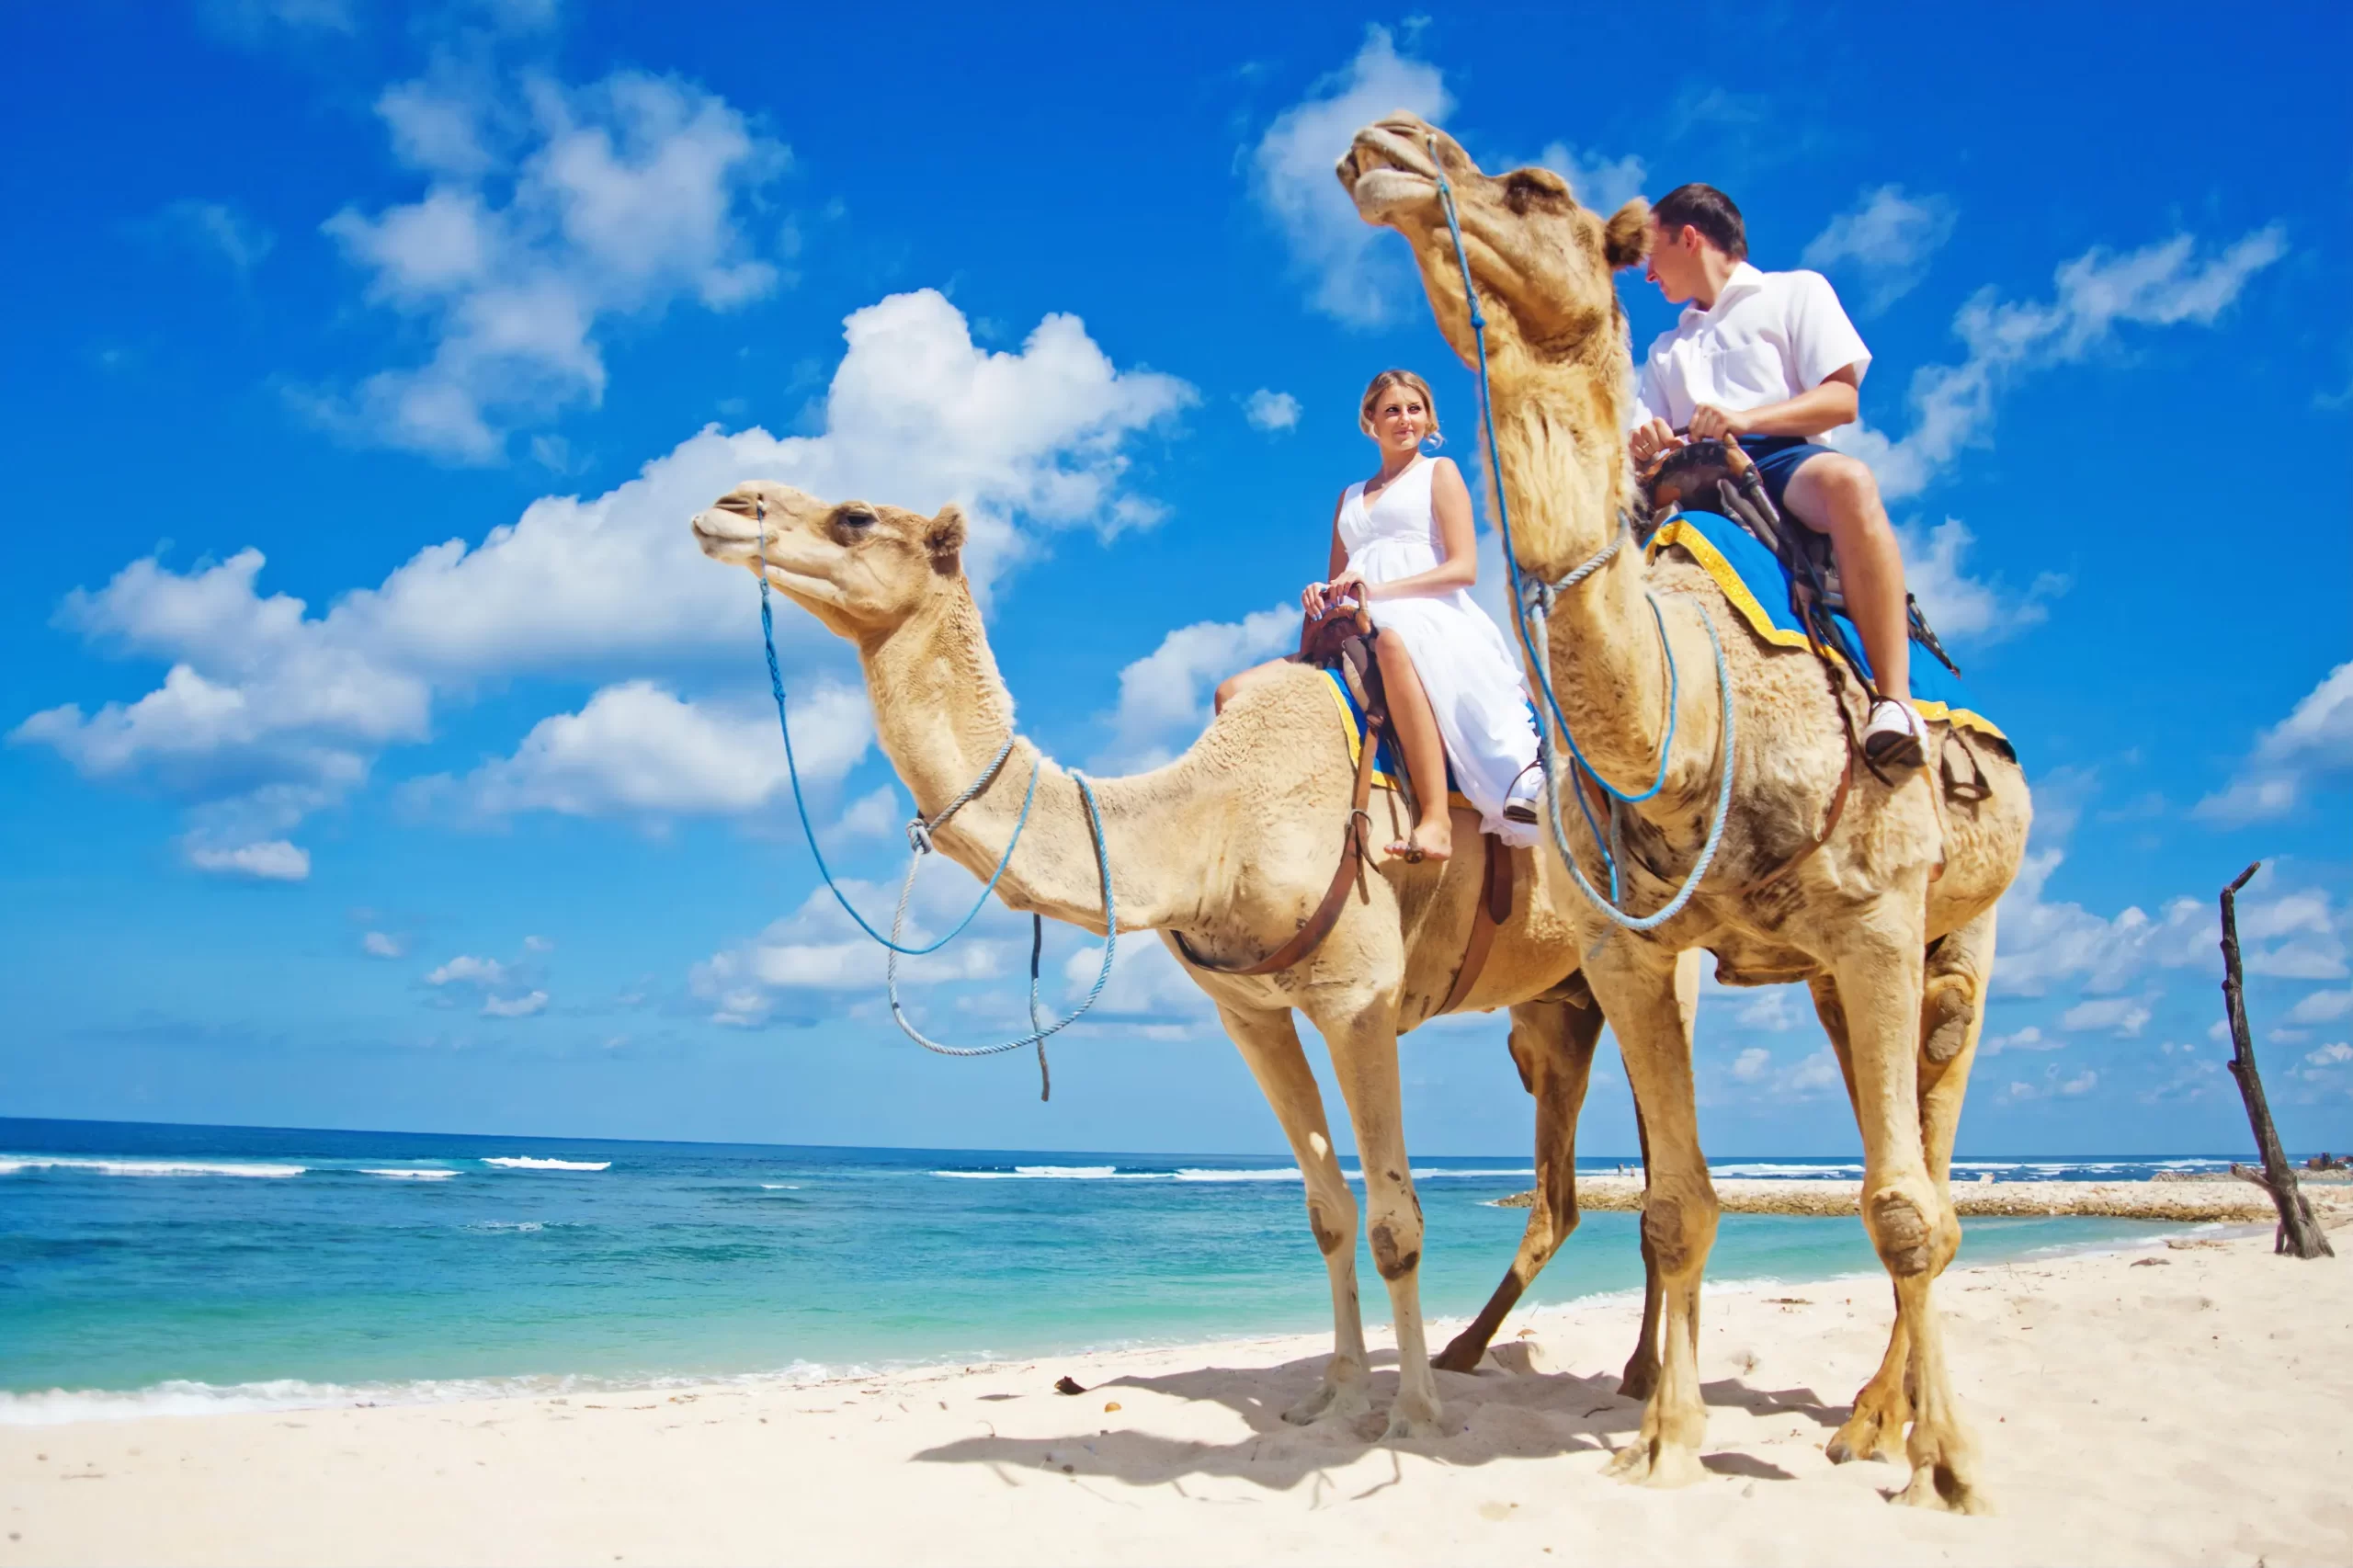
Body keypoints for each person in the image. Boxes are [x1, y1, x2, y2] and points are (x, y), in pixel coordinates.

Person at [1624, 183, 1928, 771]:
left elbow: (1841, 399)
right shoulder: (1665, 349)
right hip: (1686, 484)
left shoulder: (1796, 291)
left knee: (1851, 482)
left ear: (1689, 238)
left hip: (1781, 459)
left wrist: (1745, 419)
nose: (1649, 274)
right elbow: (1644, 440)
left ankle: (1895, 701)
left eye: (1652, 254)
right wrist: (1647, 443)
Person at [1215, 369, 1541, 863]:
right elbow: (1338, 581)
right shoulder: (1348, 497)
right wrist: (1320, 593)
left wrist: (1378, 591)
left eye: (1414, 408)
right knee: (1231, 692)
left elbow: (1464, 569)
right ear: (1371, 419)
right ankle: (1257, 821)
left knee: (1392, 643)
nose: (1404, 419)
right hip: (1356, 619)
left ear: (1429, 418)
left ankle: (1436, 821)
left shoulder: (1439, 472)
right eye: (1392, 410)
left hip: (1428, 613)